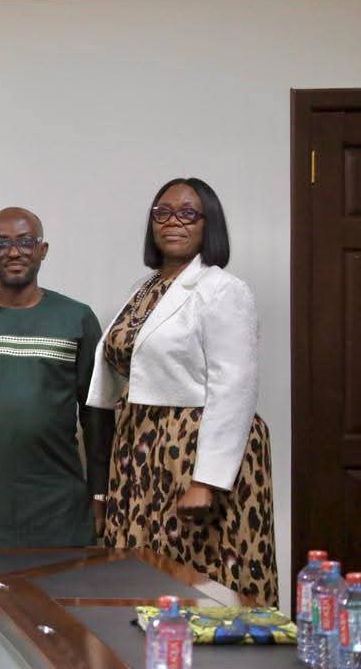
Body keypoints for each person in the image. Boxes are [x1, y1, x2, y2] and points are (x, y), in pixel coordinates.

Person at [86, 177, 278, 605]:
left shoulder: (223, 289)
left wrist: (205, 481)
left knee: (201, 578)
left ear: (209, 224)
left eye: (188, 213)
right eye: (163, 213)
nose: (173, 221)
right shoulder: (145, 288)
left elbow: (234, 386)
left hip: (195, 450)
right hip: (141, 446)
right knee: (141, 572)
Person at [0, 207, 113, 548]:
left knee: (55, 586)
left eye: (25, 241)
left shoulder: (77, 318)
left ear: (42, 249)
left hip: (58, 506)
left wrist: (100, 492)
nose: (14, 252)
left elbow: (97, 418)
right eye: (1, 243)